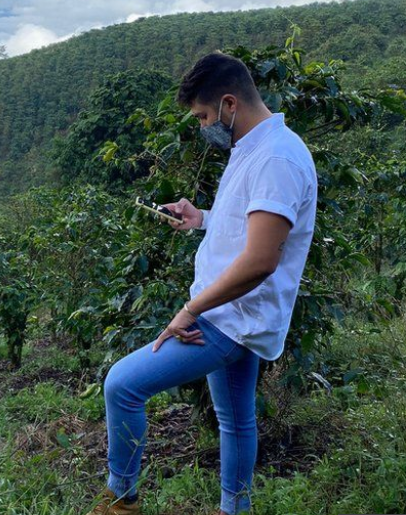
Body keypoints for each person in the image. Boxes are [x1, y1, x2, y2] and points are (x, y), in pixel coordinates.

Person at [84, 51, 318, 515]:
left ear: (230, 103)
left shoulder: (277, 159)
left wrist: (190, 311)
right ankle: (235, 508)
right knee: (235, 420)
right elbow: (249, 226)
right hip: (231, 311)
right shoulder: (253, 148)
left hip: (229, 317)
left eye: (203, 117)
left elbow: (259, 261)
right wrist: (202, 218)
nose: (202, 126)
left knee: (122, 386)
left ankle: (121, 500)